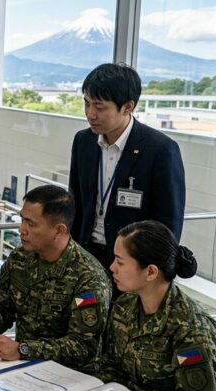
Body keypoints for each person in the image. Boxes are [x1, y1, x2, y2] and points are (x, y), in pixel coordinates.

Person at [68, 63, 186, 299]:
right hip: (87, 258)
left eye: (99, 107)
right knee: (86, 317)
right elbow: (75, 201)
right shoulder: (83, 142)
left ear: (128, 107)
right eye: (87, 103)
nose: (90, 114)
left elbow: (168, 222)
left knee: (123, 327)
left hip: (132, 265)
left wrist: (152, 271)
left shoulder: (159, 150)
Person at [98, 221, 216, 391]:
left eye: (120, 262)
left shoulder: (192, 330)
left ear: (151, 272)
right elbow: (110, 367)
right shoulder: (125, 305)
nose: (112, 267)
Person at [0, 185, 111, 373]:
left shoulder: (88, 277)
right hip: (23, 368)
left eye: (31, 224)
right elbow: (3, 307)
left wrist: (22, 349)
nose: (21, 230)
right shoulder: (19, 259)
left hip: (69, 376)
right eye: (22, 220)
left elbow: (82, 346)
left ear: (59, 230)